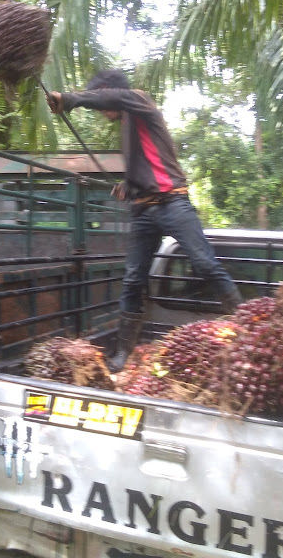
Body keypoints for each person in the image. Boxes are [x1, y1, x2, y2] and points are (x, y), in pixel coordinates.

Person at [46, 70, 242, 372]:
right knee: (133, 280)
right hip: (143, 210)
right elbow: (144, 169)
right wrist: (128, 186)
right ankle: (123, 354)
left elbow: (112, 97)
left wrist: (71, 99)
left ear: (109, 92)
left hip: (172, 201)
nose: (102, 112)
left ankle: (244, 328)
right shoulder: (127, 125)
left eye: (102, 103)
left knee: (204, 264)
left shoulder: (139, 100)